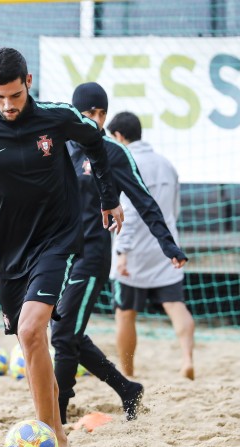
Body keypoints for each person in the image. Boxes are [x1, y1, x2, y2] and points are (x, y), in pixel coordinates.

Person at [0, 48, 124, 447]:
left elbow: (96, 141)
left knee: (30, 330)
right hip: (9, 253)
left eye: (15, 96)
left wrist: (109, 199)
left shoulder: (57, 118)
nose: (7, 105)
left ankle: (50, 442)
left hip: (57, 240)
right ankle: (57, 430)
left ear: (29, 82)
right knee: (31, 340)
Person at [52, 83, 188, 424]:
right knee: (70, 334)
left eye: (102, 114)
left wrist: (167, 244)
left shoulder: (113, 152)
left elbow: (143, 201)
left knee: (64, 336)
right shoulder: (57, 147)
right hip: (56, 257)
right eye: (89, 114)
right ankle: (128, 390)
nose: (96, 120)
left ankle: (57, 413)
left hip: (91, 256)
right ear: (75, 114)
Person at [107, 111, 196, 380]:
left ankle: (128, 372)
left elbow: (130, 213)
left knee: (125, 314)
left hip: (134, 250)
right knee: (176, 305)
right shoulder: (166, 164)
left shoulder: (125, 161)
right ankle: (187, 359)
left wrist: (121, 251)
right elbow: (174, 208)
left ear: (120, 137)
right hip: (166, 247)